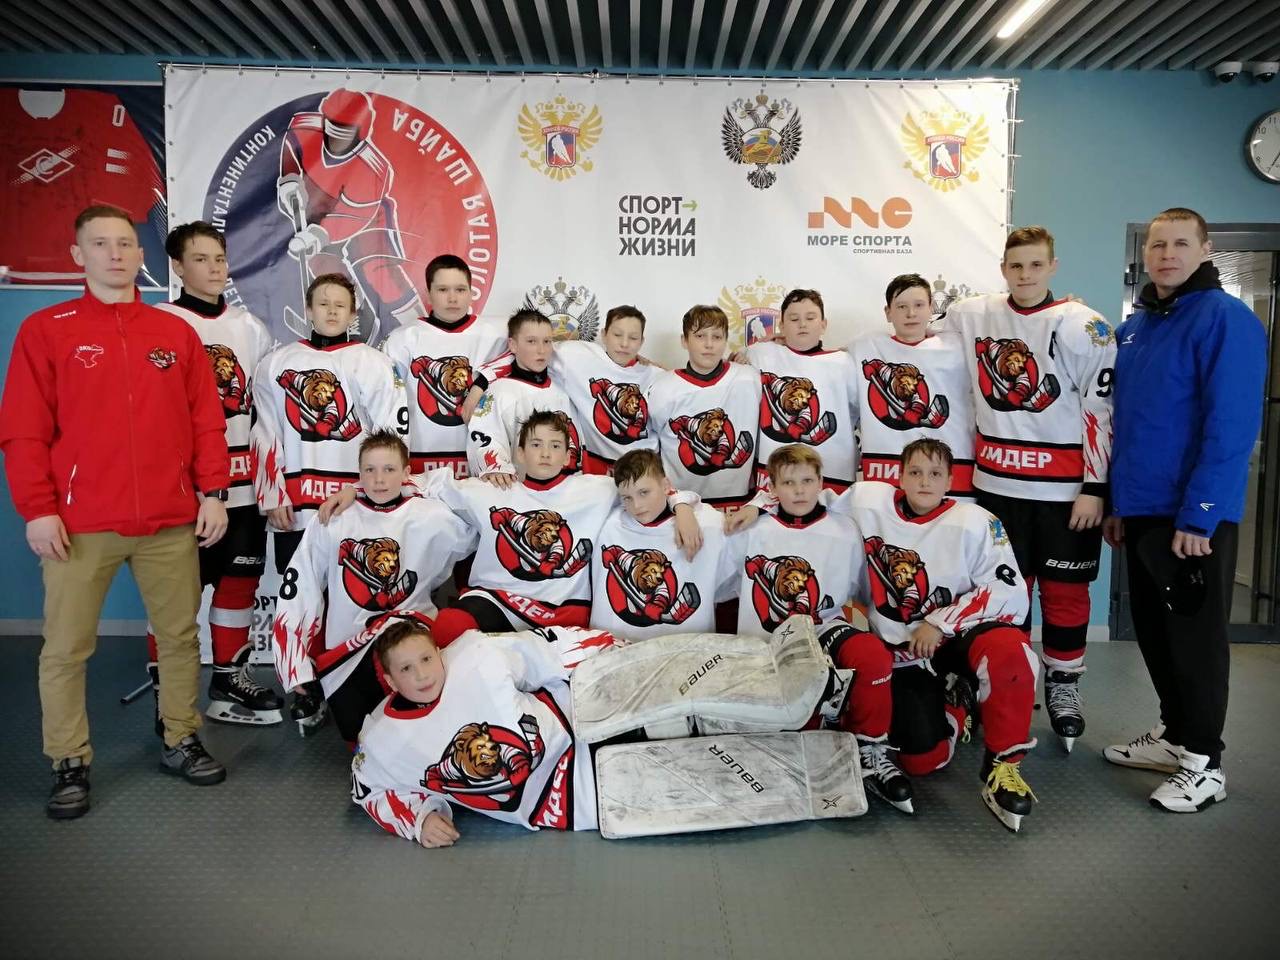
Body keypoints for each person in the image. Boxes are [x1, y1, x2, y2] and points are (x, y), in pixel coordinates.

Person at [0, 204, 231, 819]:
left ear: (141, 255)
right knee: (66, 648)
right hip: (79, 524)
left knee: (179, 638)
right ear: (79, 255)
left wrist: (213, 491)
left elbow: (206, 420)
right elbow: (23, 429)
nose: (115, 254)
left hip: (169, 520)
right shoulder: (47, 330)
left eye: (125, 244)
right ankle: (68, 760)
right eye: (100, 244)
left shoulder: (174, 333)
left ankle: (180, 737)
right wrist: (38, 509)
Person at [1102, 207, 1267, 813]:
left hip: (1191, 518)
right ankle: (1175, 735)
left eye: (1179, 243)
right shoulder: (1138, 326)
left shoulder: (1226, 318)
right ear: (1145, 254)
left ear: (1204, 249)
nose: (1167, 254)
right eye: (1157, 245)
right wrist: (1118, 503)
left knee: (1195, 640)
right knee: (1154, 631)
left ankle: (1205, 762)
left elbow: (1232, 424)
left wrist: (1201, 513)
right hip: (1141, 509)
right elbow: (1124, 423)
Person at [943, 226, 1116, 752]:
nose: (1025, 275)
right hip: (997, 491)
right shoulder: (971, 314)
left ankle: (1063, 688)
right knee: (1004, 598)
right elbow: (910, 342)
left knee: (1065, 596)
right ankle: (1004, 687)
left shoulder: (1084, 325)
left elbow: (1100, 409)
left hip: (1065, 495)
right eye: (1016, 265)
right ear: (1003, 268)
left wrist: (1095, 487)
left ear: (1052, 266)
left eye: (1036, 265)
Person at [836, 439, 1039, 831]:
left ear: (950, 480)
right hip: (902, 653)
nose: (924, 481)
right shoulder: (866, 500)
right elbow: (807, 499)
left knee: (1010, 649)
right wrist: (756, 506)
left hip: (954, 641)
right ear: (899, 476)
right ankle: (957, 704)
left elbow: (1011, 593)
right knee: (922, 761)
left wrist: (941, 622)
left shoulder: (977, 521)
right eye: (915, 472)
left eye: (934, 474)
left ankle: (1004, 764)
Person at [139, 220, 281, 730]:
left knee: (239, 582)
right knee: (175, 596)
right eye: (200, 259)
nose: (215, 268)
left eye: (219, 258)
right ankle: (169, 697)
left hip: (242, 485)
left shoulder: (250, 327)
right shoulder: (159, 322)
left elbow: (265, 412)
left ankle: (228, 679)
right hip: (185, 490)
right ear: (177, 267)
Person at [251, 271, 403, 728]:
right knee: (302, 600)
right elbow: (266, 431)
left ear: (353, 313)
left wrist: (364, 491)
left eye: (341, 304)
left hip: (356, 506)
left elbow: (391, 437)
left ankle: (350, 685)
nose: (332, 311)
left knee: (349, 600)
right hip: (296, 508)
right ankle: (307, 689)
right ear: (308, 309)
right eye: (323, 303)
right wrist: (272, 492)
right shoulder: (276, 364)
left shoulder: (373, 363)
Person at [722, 444, 907, 812]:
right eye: (789, 483)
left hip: (823, 630)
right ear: (772, 488)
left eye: (807, 481)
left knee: (872, 656)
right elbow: (720, 587)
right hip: (765, 644)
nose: (799, 491)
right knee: (797, 737)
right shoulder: (748, 529)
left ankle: (869, 747)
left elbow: (865, 593)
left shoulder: (845, 529)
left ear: (821, 482)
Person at [427, 411, 700, 645]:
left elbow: (647, 489)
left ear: (569, 456)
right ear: (519, 453)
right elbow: (428, 484)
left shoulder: (597, 489)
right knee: (448, 626)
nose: (546, 453)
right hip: (499, 601)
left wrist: (682, 506)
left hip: (565, 611)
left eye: (555, 446)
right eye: (536, 445)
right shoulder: (491, 489)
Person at [272, 430, 476, 740]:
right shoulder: (335, 518)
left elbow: (481, 522)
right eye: (369, 470)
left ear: (406, 473)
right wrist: (294, 665)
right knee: (361, 742)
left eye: (389, 469)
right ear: (359, 473)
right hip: (349, 655)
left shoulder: (434, 516)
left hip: (411, 642)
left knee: (422, 733)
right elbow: (301, 585)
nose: (379, 479)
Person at [351, 613, 620, 843]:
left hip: (574, 720)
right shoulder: (381, 743)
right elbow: (369, 789)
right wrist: (420, 820)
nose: (422, 675)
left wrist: (614, 650)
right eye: (406, 669)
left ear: (438, 653)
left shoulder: (477, 655)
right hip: (560, 799)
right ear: (391, 681)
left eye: (426, 659)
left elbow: (545, 652)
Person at [379, 254, 507, 475]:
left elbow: (534, 353)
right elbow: (388, 403)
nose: (452, 298)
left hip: (481, 464)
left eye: (460, 290)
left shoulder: (498, 335)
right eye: (443, 290)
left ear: (471, 292)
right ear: (428, 293)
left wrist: (482, 381)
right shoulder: (403, 339)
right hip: (419, 462)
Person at [851, 274, 976, 497]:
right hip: (885, 470)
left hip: (953, 469)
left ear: (931, 308)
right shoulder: (865, 347)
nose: (911, 313)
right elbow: (820, 363)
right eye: (901, 306)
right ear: (888, 312)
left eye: (919, 305)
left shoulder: (959, 347)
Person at [590, 449, 727, 639]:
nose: (636, 505)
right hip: (614, 648)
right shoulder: (608, 523)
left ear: (666, 486)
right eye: (627, 498)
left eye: (644, 493)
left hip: (686, 649)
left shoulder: (705, 523)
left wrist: (682, 505)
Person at [742, 289, 861, 493]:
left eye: (810, 318)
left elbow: (859, 414)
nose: (802, 324)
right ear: (782, 326)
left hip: (831, 470)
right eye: (794, 319)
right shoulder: (761, 354)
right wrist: (739, 357)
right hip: (775, 469)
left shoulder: (844, 362)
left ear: (823, 324)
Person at [646, 305, 762, 510]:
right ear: (684, 340)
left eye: (717, 337)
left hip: (739, 508)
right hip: (682, 509)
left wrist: (778, 340)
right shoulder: (662, 387)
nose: (709, 344)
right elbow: (649, 450)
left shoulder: (749, 377)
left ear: (725, 341)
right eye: (700, 336)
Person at [465, 310, 583, 486]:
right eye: (531, 341)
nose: (541, 350)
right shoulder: (499, 392)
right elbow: (484, 436)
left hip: (568, 491)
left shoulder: (564, 388)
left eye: (547, 341)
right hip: (522, 494)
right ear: (512, 345)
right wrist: (495, 468)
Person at [551, 305, 661, 475]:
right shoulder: (577, 358)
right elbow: (532, 347)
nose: (624, 344)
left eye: (633, 338)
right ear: (604, 334)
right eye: (617, 335)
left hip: (643, 468)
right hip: (596, 465)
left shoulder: (656, 377)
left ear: (641, 341)